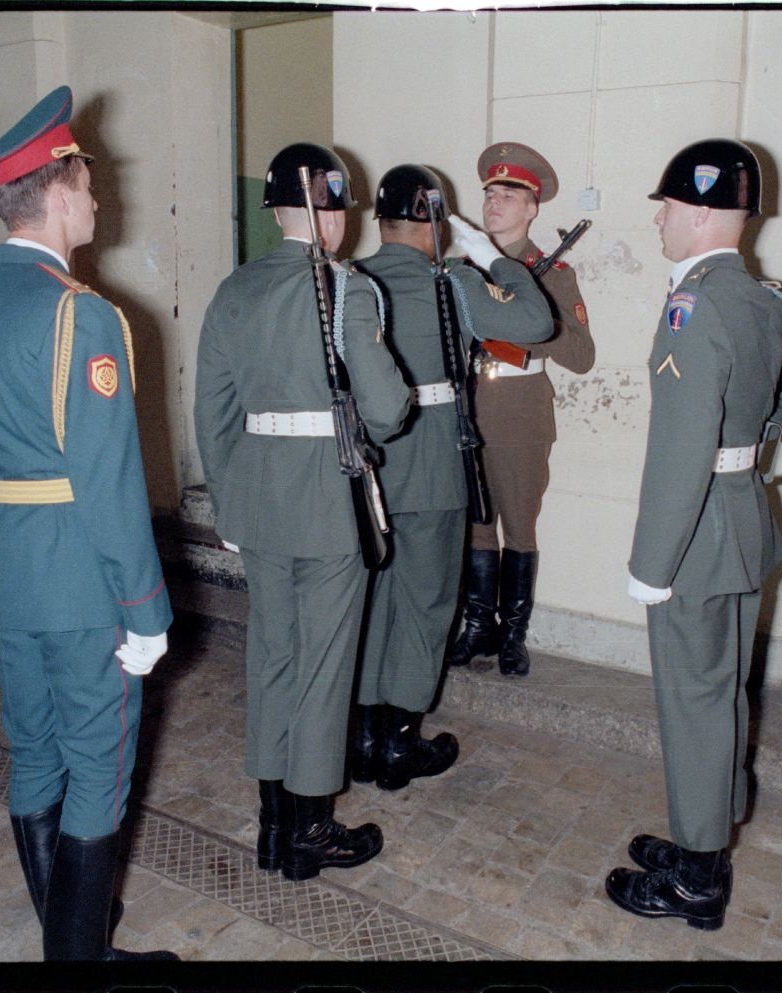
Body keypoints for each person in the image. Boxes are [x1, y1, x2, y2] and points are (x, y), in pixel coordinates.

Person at [0, 86, 177, 961]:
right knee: (98, 772)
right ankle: (80, 962)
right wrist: (144, 610)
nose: (99, 200)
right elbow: (107, 485)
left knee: (33, 753)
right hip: (81, 585)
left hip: (1, 572)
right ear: (60, 188)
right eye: (90, 183)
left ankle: (76, 946)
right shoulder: (80, 313)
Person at [604, 139, 782, 931]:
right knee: (721, 692)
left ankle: (697, 880)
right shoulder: (759, 298)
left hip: (694, 535)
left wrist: (649, 563)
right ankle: (709, 839)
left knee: (693, 700)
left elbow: (681, 448)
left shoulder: (691, 303)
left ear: (697, 212)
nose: (658, 218)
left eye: (665, 205)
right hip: (742, 519)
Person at [194, 143, 410, 880]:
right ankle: (309, 830)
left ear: (277, 211)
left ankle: (270, 825)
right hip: (326, 497)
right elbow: (387, 406)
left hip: (258, 497)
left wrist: (229, 502)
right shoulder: (349, 289)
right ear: (335, 212)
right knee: (323, 664)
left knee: (272, 656)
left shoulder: (234, 290)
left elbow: (213, 412)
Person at [351, 165, 553, 790]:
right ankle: (397, 745)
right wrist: (491, 255)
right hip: (434, 463)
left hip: (365, 464)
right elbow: (535, 323)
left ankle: (359, 737)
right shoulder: (454, 283)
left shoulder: (345, 281)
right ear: (438, 223)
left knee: (372, 603)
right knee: (427, 603)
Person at [446, 141, 596, 678]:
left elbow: (581, 356)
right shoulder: (460, 267)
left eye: (509, 194)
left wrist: (538, 312)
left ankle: (513, 635)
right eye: (490, 192)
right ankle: (478, 628)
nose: (495, 202)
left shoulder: (550, 274)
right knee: (476, 527)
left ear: (532, 208)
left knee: (519, 529)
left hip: (520, 416)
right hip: (466, 411)